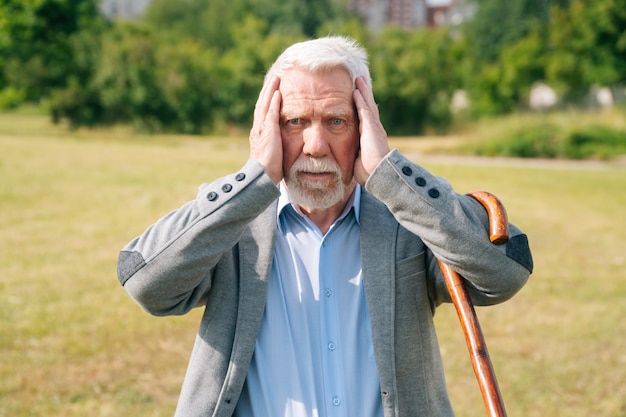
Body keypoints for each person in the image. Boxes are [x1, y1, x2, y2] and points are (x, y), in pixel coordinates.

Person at [117, 36, 533, 417]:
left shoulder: (408, 217)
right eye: (294, 122)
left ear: (365, 125)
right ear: (268, 127)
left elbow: (504, 273)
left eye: (336, 121)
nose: (315, 146)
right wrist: (254, 178)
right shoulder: (231, 219)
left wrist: (393, 176)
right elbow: (147, 285)